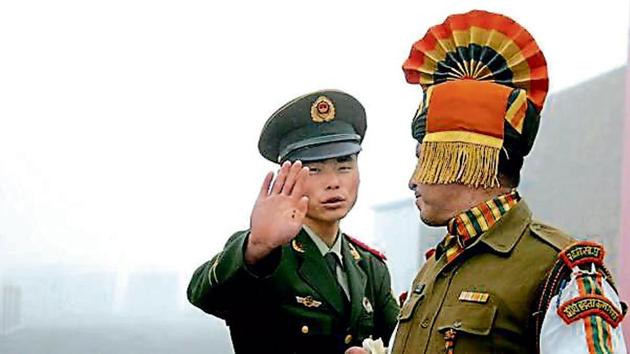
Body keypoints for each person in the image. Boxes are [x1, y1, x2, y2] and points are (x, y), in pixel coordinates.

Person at [349, 9, 627, 354]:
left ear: (464, 157)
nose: (412, 180)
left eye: (423, 158)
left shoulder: (562, 269)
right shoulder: (434, 268)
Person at [187, 90, 399, 354]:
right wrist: (257, 246)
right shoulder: (264, 255)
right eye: (314, 169)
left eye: (345, 165)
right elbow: (203, 294)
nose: (334, 182)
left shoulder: (369, 267)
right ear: (287, 176)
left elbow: (405, 340)